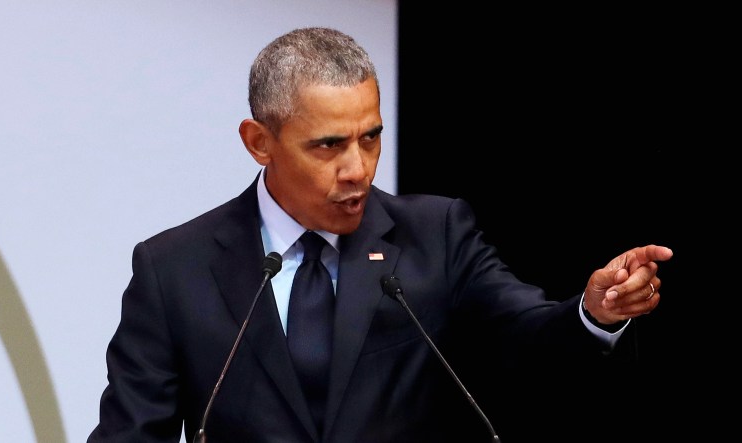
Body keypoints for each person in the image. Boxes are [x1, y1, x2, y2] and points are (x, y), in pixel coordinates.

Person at [87, 27, 673, 443]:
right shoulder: (174, 269)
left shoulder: (435, 235)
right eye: (328, 145)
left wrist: (594, 314)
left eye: (370, 137)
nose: (358, 168)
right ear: (258, 142)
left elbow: (526, 332)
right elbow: (131, 431)